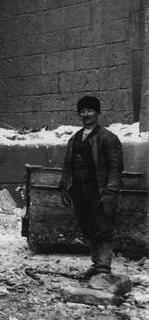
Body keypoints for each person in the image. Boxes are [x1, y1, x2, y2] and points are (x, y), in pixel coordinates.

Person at [58, 95, 124, 278]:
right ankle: (96, 265)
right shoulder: (74, 139)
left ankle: (103, 269)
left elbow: (116, 167)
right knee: (88, 227)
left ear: (98, 113)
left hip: (99, 190)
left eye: (90, 110)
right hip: (80, 190)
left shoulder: (108, 138)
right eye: (82, 111)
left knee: (103, 227)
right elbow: (67, 164)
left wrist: (110, 191)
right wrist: (63, 186)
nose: (86, 114)